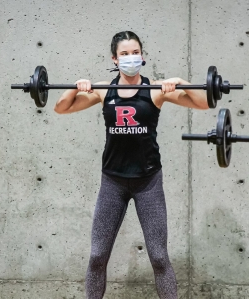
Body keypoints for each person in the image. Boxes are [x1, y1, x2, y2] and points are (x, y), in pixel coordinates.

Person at [54, 31, 208, 298]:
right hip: (112, 181)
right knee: (97, 256)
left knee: (159, 257)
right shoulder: (104, 91)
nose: (130, 58)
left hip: (148, 181)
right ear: (115, 59)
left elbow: (204, 103)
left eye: (134, 52)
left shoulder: (157, 90)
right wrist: (74, 86)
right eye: (124, 54)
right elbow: (61, 108)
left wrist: (181, 82)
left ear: (142, 56)